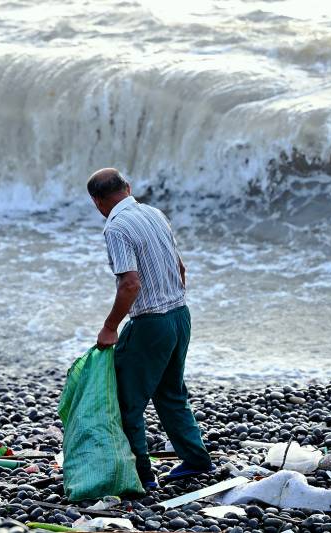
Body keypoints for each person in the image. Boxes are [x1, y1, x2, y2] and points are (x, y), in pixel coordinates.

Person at [87, 167, 213, 488]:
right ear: (127, 188)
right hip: (180, 315)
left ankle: (141, 474)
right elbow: (180, 267)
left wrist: (110, 327)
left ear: (97, 202)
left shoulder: (116, 227)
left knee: (126, 401)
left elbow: (130, 284)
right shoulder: (154, 214)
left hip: (151, 323)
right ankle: (196, 460)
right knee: (171, 392)